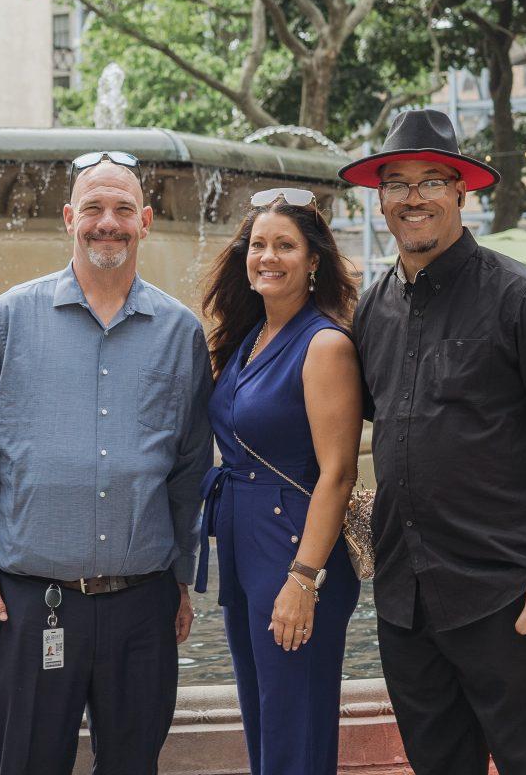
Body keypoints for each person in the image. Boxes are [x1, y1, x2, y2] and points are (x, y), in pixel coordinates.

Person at [344, 109, 526, 775]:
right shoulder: (373, 308)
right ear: (380, 198)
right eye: (397, 183)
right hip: (407, 603)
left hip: (508, 600)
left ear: (462, 192)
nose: (414, 197)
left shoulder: (523, 297)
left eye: (432, 181)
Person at [0, 151, 214, 775]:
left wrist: (181, 576)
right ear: (70, 218)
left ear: (145, 222)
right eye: (93, 208)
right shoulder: (10, 319)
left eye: (123, 209)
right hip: (28, 603)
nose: (108, 223)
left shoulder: (180, 333)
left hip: (142, 604)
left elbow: (189, 468)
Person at [194, 187, 363, 774]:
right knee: (265, 715)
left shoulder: (324, 345)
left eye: (285, 245)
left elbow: (339, 473)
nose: (268, 256)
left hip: (294, 542)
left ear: (313, 260)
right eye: (258, 244)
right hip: (244, 539)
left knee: (296, 720)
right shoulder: (248, 337)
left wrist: (304, 579)